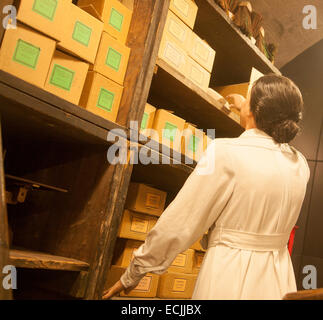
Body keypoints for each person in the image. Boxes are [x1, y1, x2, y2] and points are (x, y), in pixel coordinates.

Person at [103, 74, 310, 300]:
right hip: (279, 277)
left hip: (230, 274)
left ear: (255, 111)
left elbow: (180, 221)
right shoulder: (299, 163)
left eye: (249, 99)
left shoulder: (224, 153)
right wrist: (246, 108)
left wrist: (134, 272)